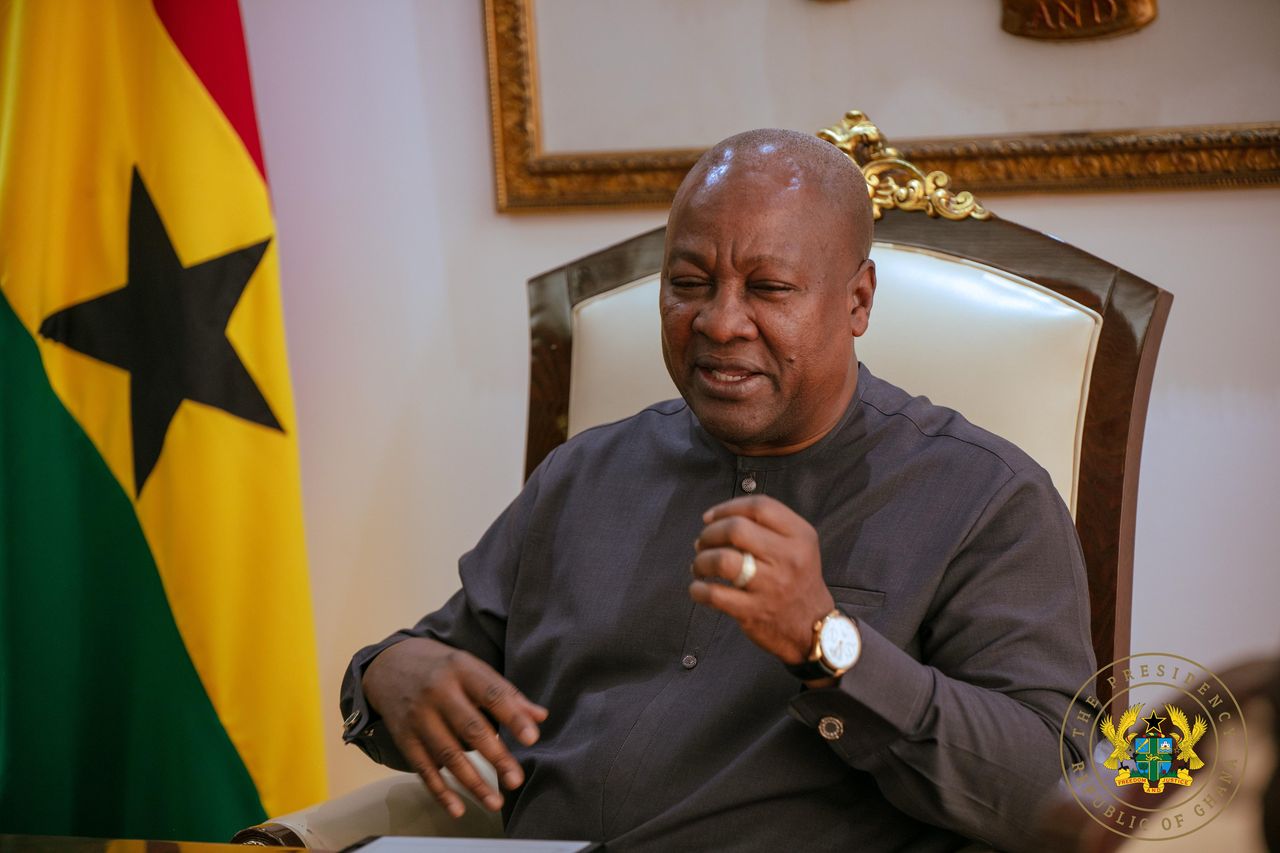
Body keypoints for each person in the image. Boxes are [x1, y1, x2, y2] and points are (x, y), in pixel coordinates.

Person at [340, 129, 1096, 851]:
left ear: (858, 301)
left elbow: (1058, 792)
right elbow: (444, 670)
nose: (721, 321)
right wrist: (382, 674)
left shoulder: (987, 498)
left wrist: (828, 645)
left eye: (769, 288)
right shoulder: (583, 474)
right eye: (689, 284)